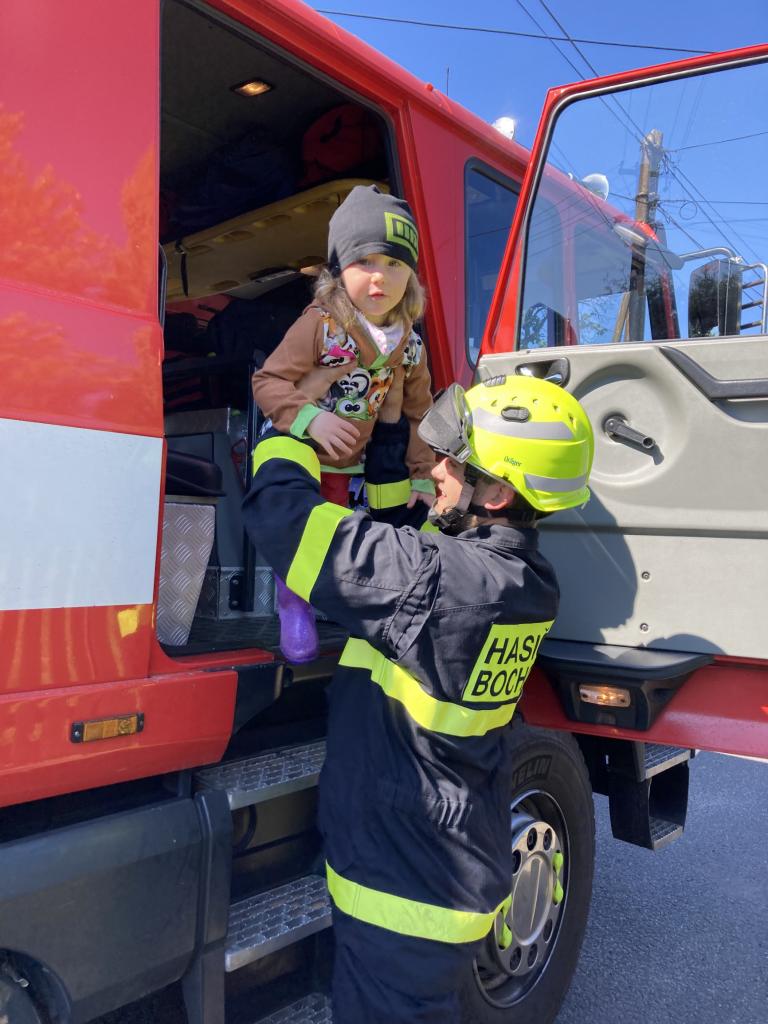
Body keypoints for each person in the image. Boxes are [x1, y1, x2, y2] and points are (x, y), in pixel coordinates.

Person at [242, 374, 594, 1024]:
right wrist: (382, 449)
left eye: (454, 463)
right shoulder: (522, 579)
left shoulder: (446, 582)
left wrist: (287, 431)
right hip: (437, 869)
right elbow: (403, 543)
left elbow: (288, 523)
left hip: (407, 890)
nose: (436, 469)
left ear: (498, 492)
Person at [251, 184, 435, 662]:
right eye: (364, 261)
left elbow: (419, 413)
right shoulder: (322, 323)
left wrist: (422, 474)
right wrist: (311, 420)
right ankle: (294, 603)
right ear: (338, 270)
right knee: (304, 530)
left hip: (361, 461)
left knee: (361, 537)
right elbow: (268, 381)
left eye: (394, 263)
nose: (380, 277)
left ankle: (358, 608)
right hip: (309, 453)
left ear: (411, 275)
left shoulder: (410, 345)